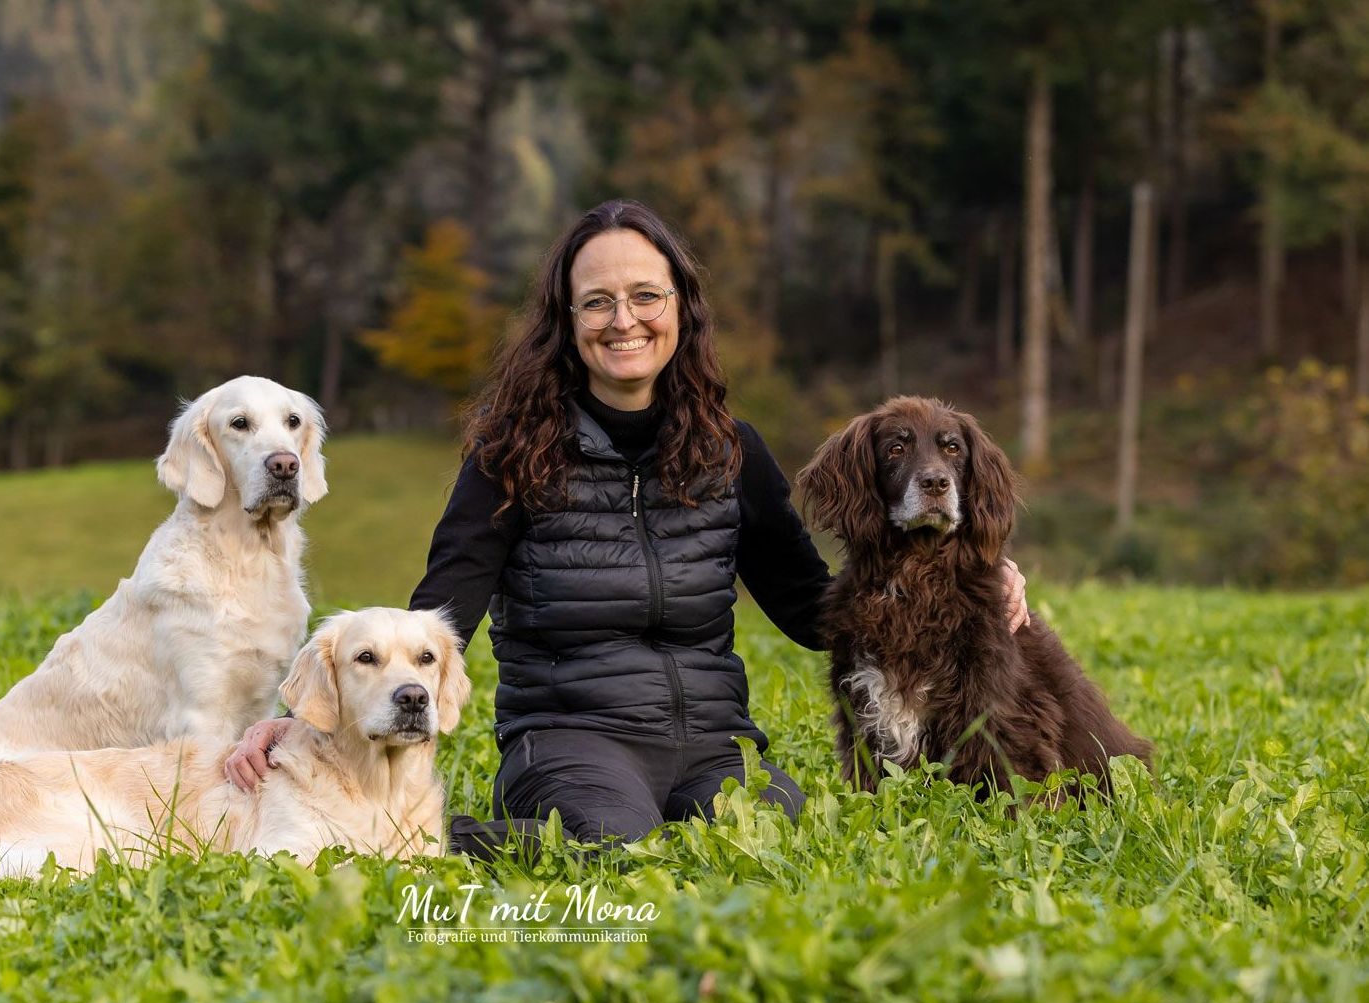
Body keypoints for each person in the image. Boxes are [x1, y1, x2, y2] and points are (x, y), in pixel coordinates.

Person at [224, 199, 1028, 847]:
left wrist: (969, 578)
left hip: (712, 741)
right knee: (616, 848)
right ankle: (441, 840)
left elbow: (819, 612)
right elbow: (438, 614)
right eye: (597, 301)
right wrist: (301, 720)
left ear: (679, 309)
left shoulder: (731, 453)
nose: (624, 319)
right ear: (567, 321)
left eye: (645, 295)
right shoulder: (509, 455)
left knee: (777, 838)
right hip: (569, 739)